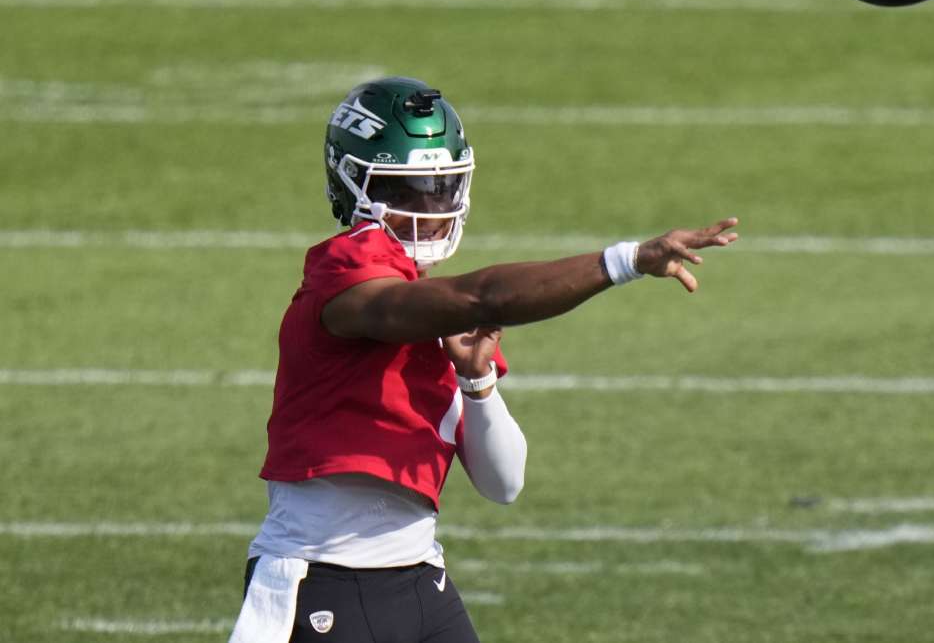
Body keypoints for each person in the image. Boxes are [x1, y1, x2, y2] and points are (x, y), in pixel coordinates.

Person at [228, 76, 738, 643]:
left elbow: (504, 484)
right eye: (408, 191)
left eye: (442, 187)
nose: (431, 208)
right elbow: (484, 296)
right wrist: (626, 261)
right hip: (323, 581)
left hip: (422, 581)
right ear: (353, 183)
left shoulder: (441, 314)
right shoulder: (348, 279)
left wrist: (476, 381)